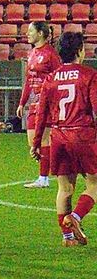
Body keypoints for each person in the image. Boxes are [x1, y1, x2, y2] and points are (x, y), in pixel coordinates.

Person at [31, 32, 97, 247]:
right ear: (79, 51)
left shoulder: (50, 79)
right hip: (83, 134)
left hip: (58, 136)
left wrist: (36, 142)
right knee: (94, 185)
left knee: (65, 188)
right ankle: (76, 217)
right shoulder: (89, 75)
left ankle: (67, 237)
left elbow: (41, 115)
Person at [18, 22, 61, 189]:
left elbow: (58, 79)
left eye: (30, 31)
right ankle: (53, 164)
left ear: (41, 33)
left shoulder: (51, 55)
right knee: (33, 142)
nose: (27, 34)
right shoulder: (32, 53)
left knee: (43, 140)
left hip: (47, 103)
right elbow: (29, 80)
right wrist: (22, 102)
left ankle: (43, 178)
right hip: (33, 103)